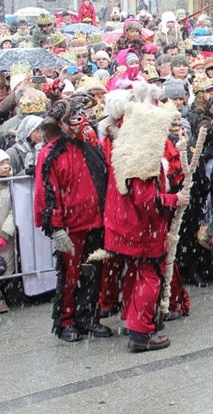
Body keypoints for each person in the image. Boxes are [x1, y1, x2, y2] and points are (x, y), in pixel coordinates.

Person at [103, 99, 190, 351]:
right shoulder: (145, 154)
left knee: (138, 273)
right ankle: (141, 333)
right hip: (140, 228)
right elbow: (147, 200)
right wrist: (175, 199)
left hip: (126, 226)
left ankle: (134, 322)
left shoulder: (128, 146)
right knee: (149, 277)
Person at [34, 94, 111, 342]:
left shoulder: (93, 146)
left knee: (94, 272)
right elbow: (47, 192)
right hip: (71, 226)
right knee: (70, 275)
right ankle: (67, 320)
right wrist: (56, 228)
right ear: (63, 123)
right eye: (77, 117)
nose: (85, 122)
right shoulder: (52, 152)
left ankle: (89, 316)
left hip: (97, 222)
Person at [0, 149, 14, 313]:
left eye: (6, 163)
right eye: (1, 164)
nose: (5, 167)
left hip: (5, 235)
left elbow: (14, 211)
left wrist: (5, 233)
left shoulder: (12, 184)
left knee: (6, 267)